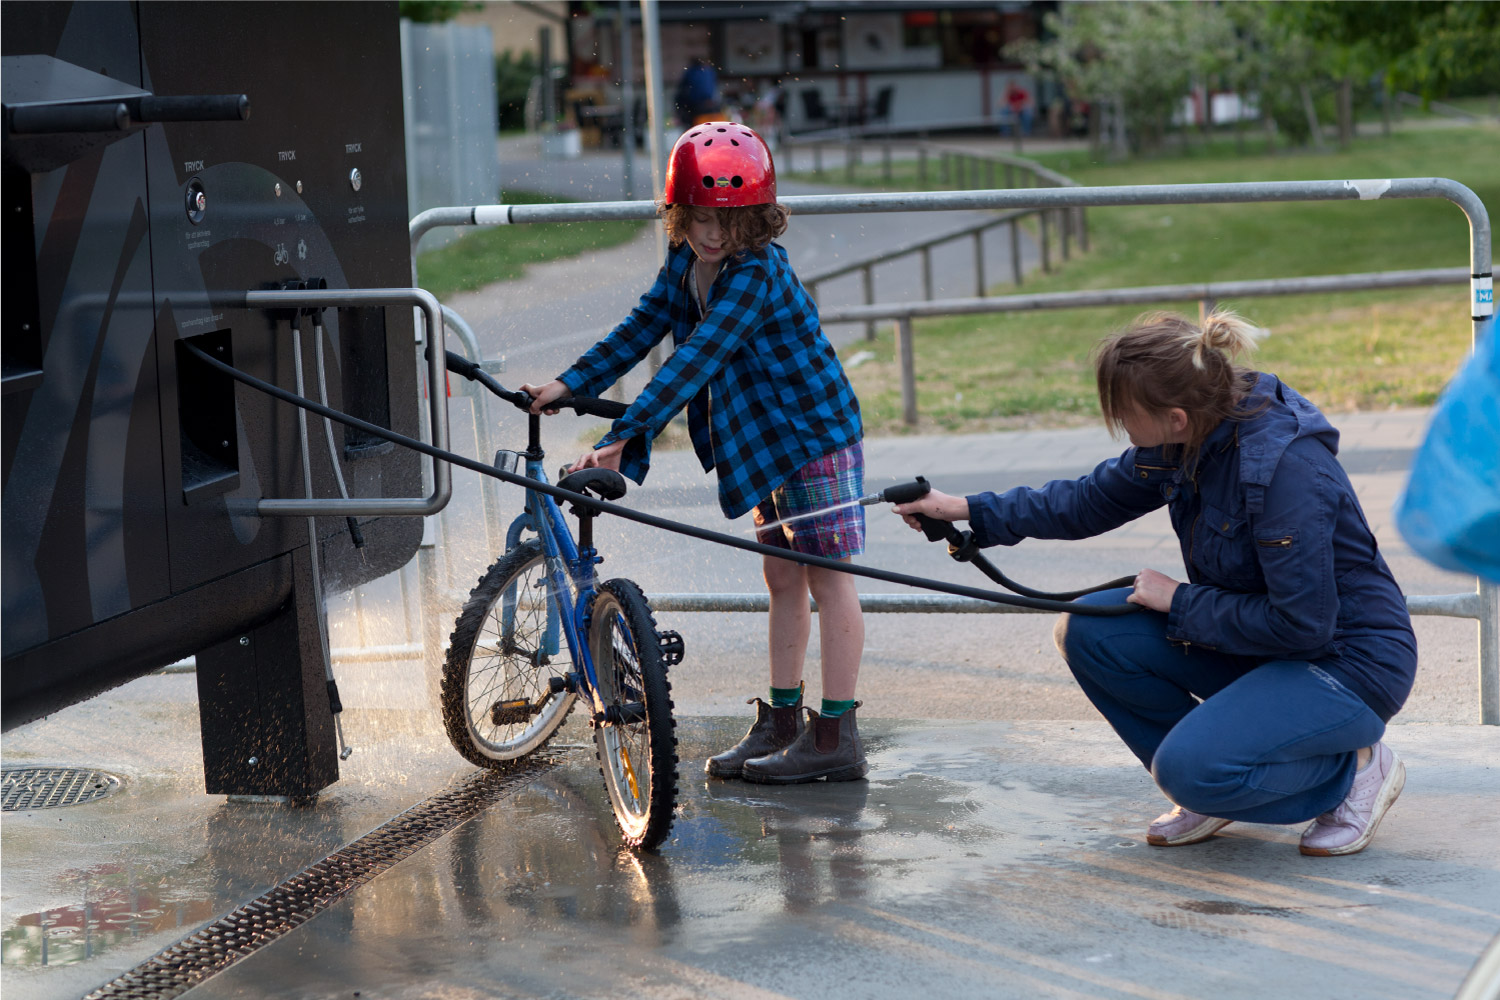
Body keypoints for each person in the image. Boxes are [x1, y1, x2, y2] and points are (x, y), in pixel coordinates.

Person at [893, 310, 1418, 856]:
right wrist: (962, 508)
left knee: (1191, 771)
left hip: (1345, 664)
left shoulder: (1283, 472)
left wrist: (1180, 601)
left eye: (1123, 416)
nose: (1120, 428)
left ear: (1175, 418)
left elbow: (1303, 625)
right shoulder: (1191, 436)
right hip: (1261, 645)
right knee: (1090, 630)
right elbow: (1087, 500)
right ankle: (1216, 772)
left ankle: (1353, 769)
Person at [521, 123, 869, 785]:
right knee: (782, 579)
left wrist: (626, 436)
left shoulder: (759, 271)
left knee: (828, 578)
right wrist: (568, 385)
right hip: (765, 440)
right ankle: (782, 721)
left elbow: (696, 360)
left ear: (759, 218)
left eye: (731, 221)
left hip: (813, 435)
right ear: (679, 214)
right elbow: (644, 326)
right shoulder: (686, 260)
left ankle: (836, 734)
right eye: (701, 219)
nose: (714, 235)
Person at [674, 58, 721, 127]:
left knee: (695, 127)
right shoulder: (710, 71)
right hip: (711, 104)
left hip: (696, 105)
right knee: (711, 126)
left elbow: (682, 89)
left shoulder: (691, 72)